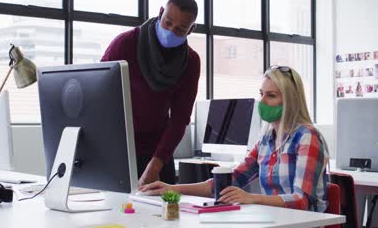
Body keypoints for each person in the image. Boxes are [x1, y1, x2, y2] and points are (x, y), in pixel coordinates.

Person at [139, 66, 330, 212]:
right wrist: (173, 188)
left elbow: (302, 200)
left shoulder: (307, 137)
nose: (262, 102)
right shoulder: (266, 140)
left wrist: (252, 198)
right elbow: (231, 180)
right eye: (261, 94)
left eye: (271, 96)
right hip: (277, 220)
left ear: (291, 100)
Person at [101, 0, 200, 186]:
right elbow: (100, 91)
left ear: (191, 30)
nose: (171, 31)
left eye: (180, 30)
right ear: (161, 12)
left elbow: (180, 118)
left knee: (162, 213)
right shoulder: (125, 43)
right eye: (167, 23)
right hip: (119, 148)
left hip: (159, 153)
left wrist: (156, 165)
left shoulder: (191, 62)